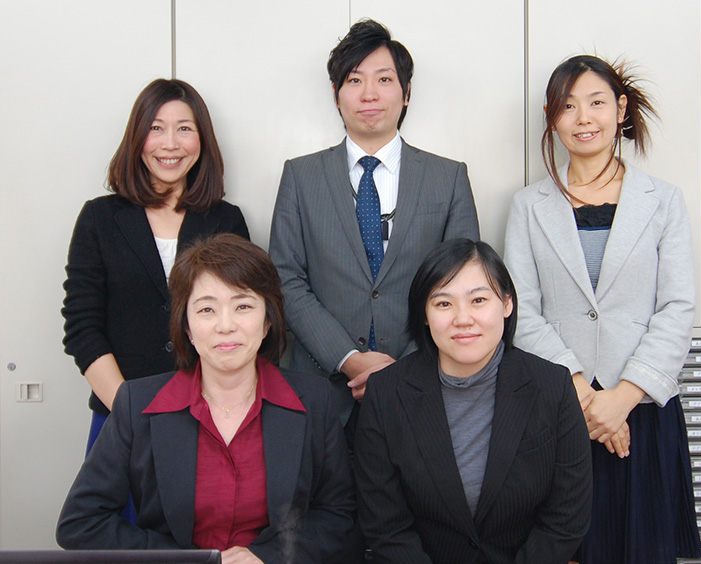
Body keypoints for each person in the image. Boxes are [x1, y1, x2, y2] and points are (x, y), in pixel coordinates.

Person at [503, 55, 701, 564]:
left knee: (644, 546)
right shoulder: (528, 205)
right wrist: (584, 394)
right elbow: (520, 310)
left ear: (620, 108)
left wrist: (622, 399)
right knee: (564, 549)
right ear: (551, 117)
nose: (583, 118)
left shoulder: (663, 201)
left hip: (644, 411)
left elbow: (677, 307)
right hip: (561, 409)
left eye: (596, 102)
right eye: (568, 106)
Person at [57, 234, 355, 564]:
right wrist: (188, 561)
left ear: (268, 321)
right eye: (207, 309)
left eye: (243, 306)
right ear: (186, 326)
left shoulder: (314, 400)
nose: (226, 326)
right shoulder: (136, 404)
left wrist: (266, 557)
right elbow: (81, 523)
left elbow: (339, 515)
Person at [268, 18, 479, 439]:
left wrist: (405, 367)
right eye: (354, 80)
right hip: (321, 392)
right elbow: (284, 279)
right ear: (336, 94)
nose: (369, 94)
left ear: (406, 92)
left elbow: (463, 284)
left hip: (422, 387)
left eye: (384, 79)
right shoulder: (300, 176)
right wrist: (348, 358)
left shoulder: (448, 177)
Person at [354, 238, 592, 564]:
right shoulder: (386, 394)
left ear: (506, 304)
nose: (463, 319)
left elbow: (566, 518)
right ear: (424, 314)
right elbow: (385, 526)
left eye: (478, 300)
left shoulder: (553, 387)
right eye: (443, 304)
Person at [62, 79, 250, 456]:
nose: (170, 144)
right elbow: (82, 327)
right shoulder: (100, 218)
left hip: (209, 418)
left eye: (185, 129)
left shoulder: (226, 220)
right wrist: (128, 410)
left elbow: (245, 319)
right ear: (137, 138)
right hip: (119, 415)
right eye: (156, 128)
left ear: (202, 140)